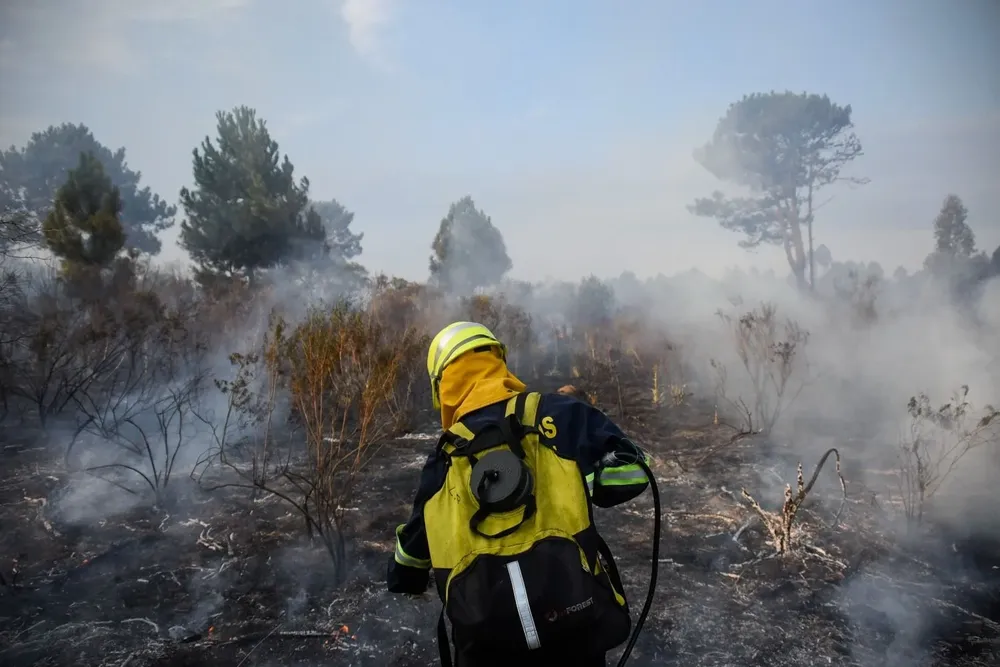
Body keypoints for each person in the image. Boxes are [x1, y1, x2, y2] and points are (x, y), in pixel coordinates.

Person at [386, 321, 652, 667]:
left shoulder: (443, 461)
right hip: (576, 633)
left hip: (487, 650)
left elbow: (409, 563)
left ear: (442, 387)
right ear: (499, 362)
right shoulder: (560, 415)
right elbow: (631, 478)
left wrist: (403, 573)